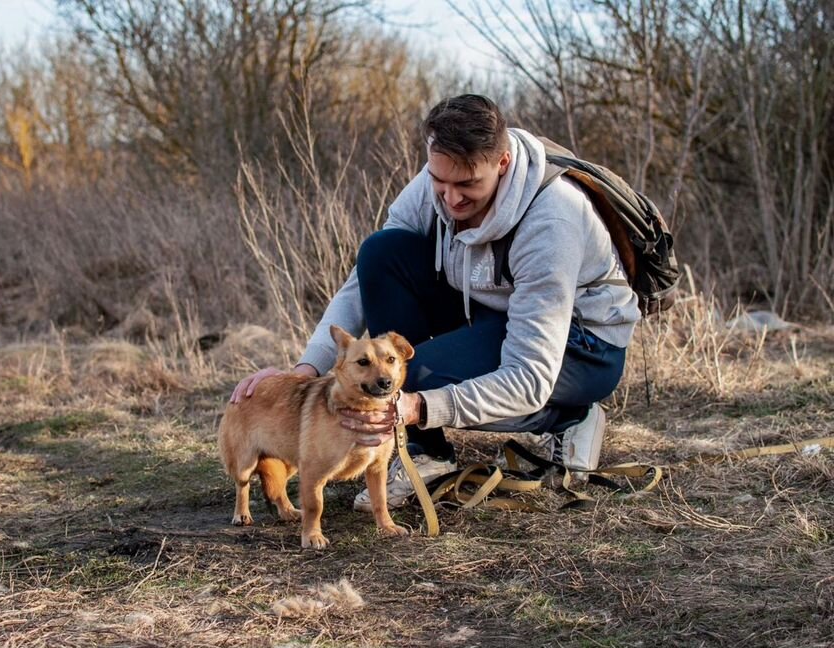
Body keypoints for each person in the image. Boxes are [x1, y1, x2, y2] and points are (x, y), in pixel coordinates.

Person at [231, 94, 640, 511]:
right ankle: (427, 455)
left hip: (581, 348)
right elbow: (364, 281)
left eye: (467, 185)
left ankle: (569, 419)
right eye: (440, 181)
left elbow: (531, 377)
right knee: (381, 253)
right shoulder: (438, 182)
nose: (451, 199)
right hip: (491, 314)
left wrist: (419, 407)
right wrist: (306, 370)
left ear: (502, 163)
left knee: (415, 377)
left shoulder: (552, 221)